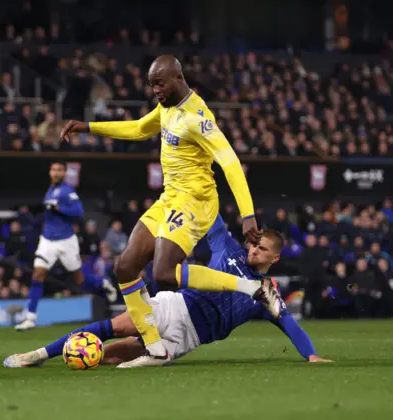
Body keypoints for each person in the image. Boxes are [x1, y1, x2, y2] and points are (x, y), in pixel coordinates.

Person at [59, 55, 280, 367]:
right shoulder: (166, 107)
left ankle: (252, 287)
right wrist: (89, 127)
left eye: (160, 83)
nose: (155, 90)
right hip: (170, 198)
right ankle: (156, 348)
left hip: (196, 200)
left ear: (178, 77)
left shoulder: (198, 117)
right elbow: (138, 128)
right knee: (124, 267)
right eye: (152, 85)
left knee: (164, 275)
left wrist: (248, 214)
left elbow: (229, 161)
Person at [3, 220, 334, 368]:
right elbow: (211, 215)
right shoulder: (229, 248)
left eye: (262, 250)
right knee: (115, 326)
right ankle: (39, 354)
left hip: (187, 340)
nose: (254, 251)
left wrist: (311, 355)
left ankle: (87, 356)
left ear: (274, 258)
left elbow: (289, 324)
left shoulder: (266, 294)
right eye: (254, 244)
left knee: (109, 356)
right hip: (175, 307)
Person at [15, 161, 117, 330]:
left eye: (60, 170)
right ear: (50, 172)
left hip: (66, 241)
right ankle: (30, 318)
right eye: (54, 169)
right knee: (38, 274)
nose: (56, 172)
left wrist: (59, 207)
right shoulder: (50, 190)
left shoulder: (67, 191)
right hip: (47, 240)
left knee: (79, 280)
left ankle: (102, 284)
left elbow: (78, 212)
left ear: (64, 173)